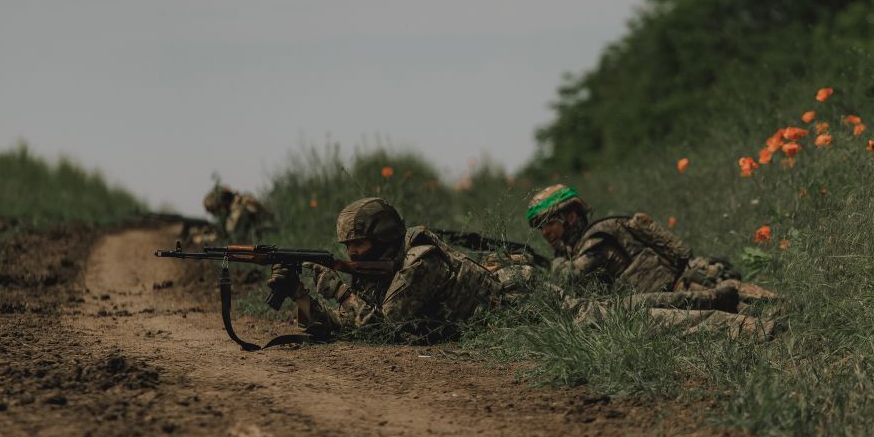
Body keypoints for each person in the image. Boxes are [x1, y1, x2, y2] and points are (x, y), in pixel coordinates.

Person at [267, 197, 503, 342]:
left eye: (358, 243)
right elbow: (347, 324)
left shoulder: (421, 263)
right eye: (348, 245)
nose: (352, 252)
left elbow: (383, 331)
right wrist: (298, 294)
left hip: (503, 312)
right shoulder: (378, 264)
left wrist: (340, 291)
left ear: (383, 238)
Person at [525, 184, 770, 313]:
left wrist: (553, 263)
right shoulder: (585, 242)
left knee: (774, 313)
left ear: (569, 216)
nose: (545, 233)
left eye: (549, 223)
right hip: (686, 292)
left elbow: (572, 279)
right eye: (540, 228)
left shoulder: (596, 237)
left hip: (693, 287)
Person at [201, 183, 276, 242]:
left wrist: (214, 236)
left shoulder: (238, 210)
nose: (216, 215)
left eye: (214, 211)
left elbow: (232, 235)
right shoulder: (243, 201)